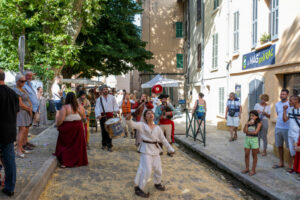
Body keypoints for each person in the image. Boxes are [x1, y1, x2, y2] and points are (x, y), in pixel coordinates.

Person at [126, 110, 175, 198]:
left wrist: (170, 149)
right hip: (146, 150)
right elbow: (132, 124)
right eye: (148, 113)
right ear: (145, 117)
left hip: (155, 150)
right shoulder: (142, 125)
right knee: (147, 170)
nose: (150, 114)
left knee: (158, 169)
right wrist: (129, 119)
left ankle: (157, 183)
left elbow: (163, 139)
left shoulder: (157, 128)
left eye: (151, 113)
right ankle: (139, 188)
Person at [54, 92, 88, 168]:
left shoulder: (65, 107)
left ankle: (65, 162)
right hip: (78, 127)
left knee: (67, 145)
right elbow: (84, 118)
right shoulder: (80, 107)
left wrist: (58, 126)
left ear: (67, 99)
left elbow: (60, 120)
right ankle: (77, 160)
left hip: (68, 127)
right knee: (76, 145)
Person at [0, 70, 18, 197]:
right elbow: (16, 111)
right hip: (10, 130)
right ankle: (10, 187)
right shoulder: (13, 93)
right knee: (9, 160)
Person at [13, 74, 33, 158]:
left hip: (26, 111)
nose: (24, 82)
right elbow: (20, 104)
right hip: (21, 112)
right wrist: (28, 109)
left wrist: (30, 107)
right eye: (22, 81)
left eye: (24, 81)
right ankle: (18, 150)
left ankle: (21, 148)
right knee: (22, 130)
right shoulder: (16, 90)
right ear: (17, 81)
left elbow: (28, 99)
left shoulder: (22, 89)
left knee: (25, 130)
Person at [95, 85, 120, 152]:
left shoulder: (112, 97)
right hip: (102, 116)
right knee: (103, 131)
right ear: (102, 91)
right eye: (104, 89)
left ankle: (109, 145)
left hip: (110, 116)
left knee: (110, 131)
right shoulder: (99, 99)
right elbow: (97, 108)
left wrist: (117, 110)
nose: (105, 90)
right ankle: (104, 144)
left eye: (106, 89)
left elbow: (115, 105)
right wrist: (98, 115)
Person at [273, 89, 291, 169]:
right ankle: (281, 162)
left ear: (287, 95)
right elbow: (278, 114)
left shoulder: (290, 104)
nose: (282, 95)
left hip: (287, 128)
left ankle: (290, 165)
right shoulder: (277, 104)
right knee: (279, 146)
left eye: (284, 94)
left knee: (289, 147)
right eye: (281, 94)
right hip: (278, 127)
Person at [242, 110, 262, 176]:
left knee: (254, 155)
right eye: (250, 116)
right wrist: (246, 125)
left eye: (253, 116)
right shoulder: (248, 122)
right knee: (246, 154)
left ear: (256, 116)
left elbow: (256, 132)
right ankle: (247, 168)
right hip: (247, 139)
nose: (251, 117)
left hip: (254, 140)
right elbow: (244, 131)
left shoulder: (259, 123)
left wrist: (248, 132)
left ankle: (253, 170)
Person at [283, 95, 300, 173]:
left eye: (290, 100)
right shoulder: (290, 110)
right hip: (290, 134)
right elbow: (285, 120)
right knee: (293, 152)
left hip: (297, 136)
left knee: (298, 153)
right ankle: (295, 168)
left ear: (296, 101)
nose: (289, 102)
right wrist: (284, 110)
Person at [23, 71, 39, 149]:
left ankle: (26, 142)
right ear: (24, 76)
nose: (30, 77)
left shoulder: (31, 84)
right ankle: (23, 144)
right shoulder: (23, 85)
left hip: (33, 108)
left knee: (28, 127)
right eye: (28, 76)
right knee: (25, 127)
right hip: (27, 109)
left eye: (31, 76)